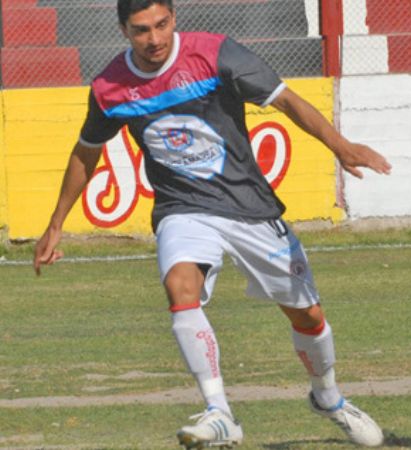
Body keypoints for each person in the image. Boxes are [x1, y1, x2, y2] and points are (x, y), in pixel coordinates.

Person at [32, 1, 390, 448]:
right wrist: (55, 224)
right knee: (180, 288)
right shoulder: (110, 87)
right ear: (123, 29)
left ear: (174, 19)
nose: (154, 39)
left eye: (161, 25)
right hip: (182, 207)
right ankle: (219, 411)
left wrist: (341, 145)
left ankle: (328, 397)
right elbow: (87, 151)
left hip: (248, 206)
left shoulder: (217, 54)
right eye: (141, 30)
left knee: (308, 314)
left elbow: (288, 101)